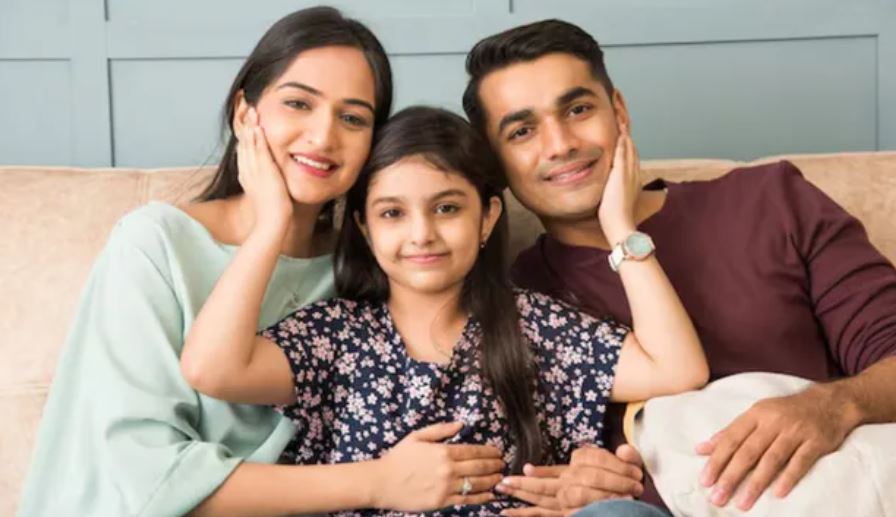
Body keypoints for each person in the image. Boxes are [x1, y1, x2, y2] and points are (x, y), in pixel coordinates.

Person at [179, 106, 707, 516]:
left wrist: (620, 228)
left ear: (487, 217)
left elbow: (677, 368)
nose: (422, 234)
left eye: (447, 208)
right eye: (393, 213)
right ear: (364, 227)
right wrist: (271, 224)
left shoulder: (534, 325)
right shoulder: (334, 335)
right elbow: (212, 368)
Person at [461, 18, 896, 514]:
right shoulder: (515, 299)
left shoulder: (770, 201)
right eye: (522, 131)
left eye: (578, 109)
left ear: (619, 111)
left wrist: (834, 406)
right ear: (495, 162)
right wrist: (585, 483)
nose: (560, 144)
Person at [17, 7, 392, 516]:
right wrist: (270, 227)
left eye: (353, 118)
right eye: (298, 103)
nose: (324, 136)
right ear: (244, 113)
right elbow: (146, 481)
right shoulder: (154, 245)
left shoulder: (373, 266)